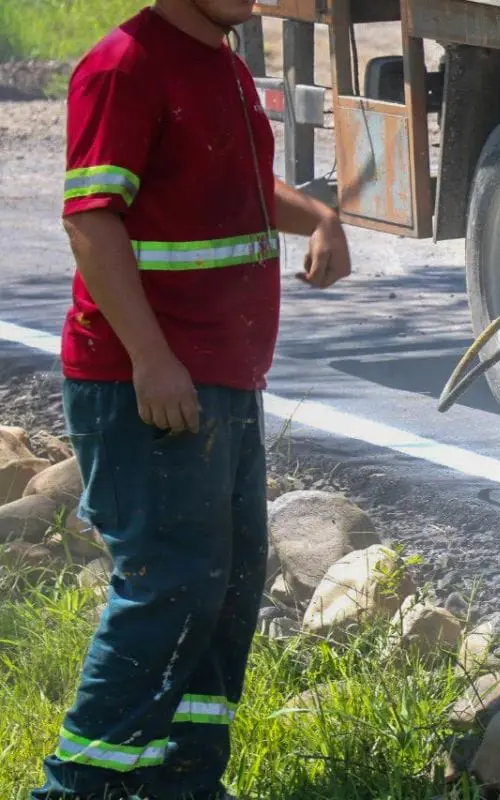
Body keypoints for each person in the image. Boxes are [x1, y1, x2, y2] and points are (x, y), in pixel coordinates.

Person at [31, 0, 351, 797]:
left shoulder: (222, 60)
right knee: (170, 584)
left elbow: (235, 185)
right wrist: (151, 359)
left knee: (230, 580)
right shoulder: (123, 66)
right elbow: (91, 223)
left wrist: (318, 216)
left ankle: (181, 779)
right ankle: (79, 786)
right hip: (150, 382)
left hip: (221, 377)